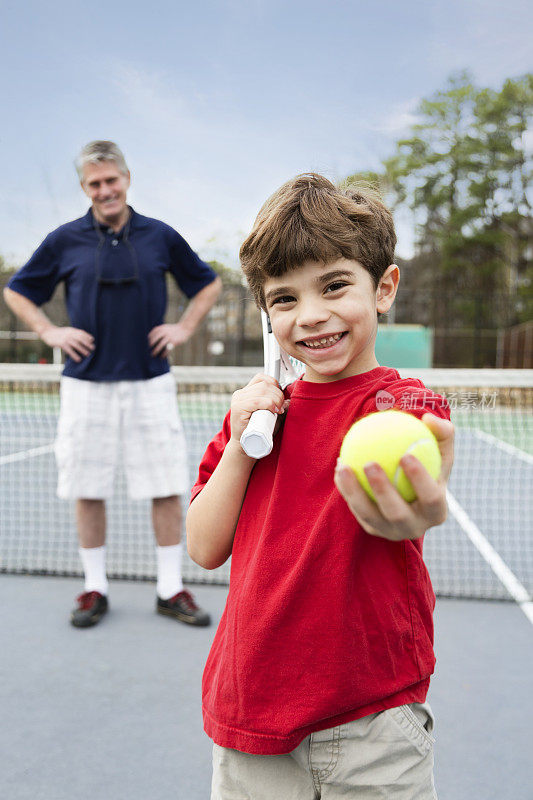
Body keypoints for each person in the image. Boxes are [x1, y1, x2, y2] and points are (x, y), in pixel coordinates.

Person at [186, 174, 455, 799]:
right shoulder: (250, 419)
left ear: (383, 288)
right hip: (251, 721)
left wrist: (413, 511)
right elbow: (202, 547)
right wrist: (243, 439)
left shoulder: (402, 405)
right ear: (267, 315)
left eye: (335, 285)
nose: (311, 315)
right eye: (284, 299)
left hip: (374, 728)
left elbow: (413, 503)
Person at [4, 140, 221, 629]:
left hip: (151, 382)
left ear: (127, 178)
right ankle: (94, 587)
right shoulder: (64, 240)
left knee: (166, 485)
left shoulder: (161, 236)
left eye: (112, 180)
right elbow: (17, 291)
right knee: (88, 487)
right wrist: (49, 331)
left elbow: (206, 284)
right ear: (85, 187)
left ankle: (169, 589)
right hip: (85, 385)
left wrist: (184, 328)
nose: (105, 190)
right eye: (95, 183)